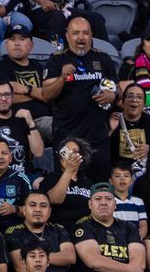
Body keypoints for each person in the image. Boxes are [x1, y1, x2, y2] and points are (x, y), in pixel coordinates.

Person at [41, 17, 118, 179]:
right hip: (66, 137)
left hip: (97, 138)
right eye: (75, 33)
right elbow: (47, 95)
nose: (81, 37)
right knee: (67, 184)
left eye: (85, 33)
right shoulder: (56, 59)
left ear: (91, 36)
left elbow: (117, 91)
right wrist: (62, 77)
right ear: (67, 36)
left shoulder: (103, 59)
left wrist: (113, 95)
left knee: (99, 186)